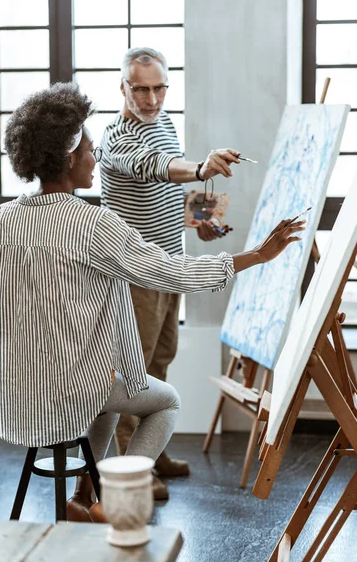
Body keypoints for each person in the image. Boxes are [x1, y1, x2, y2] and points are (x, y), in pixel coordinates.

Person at [0, 82, 304, 523]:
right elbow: (172, 272)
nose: (96, 158)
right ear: (70, 157)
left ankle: (80, 498)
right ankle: (114, 499)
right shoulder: (92, 223)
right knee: (165, 400)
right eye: (90, 151)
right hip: (65, 393)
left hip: (13, 392)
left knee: (109, 381)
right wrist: (258, 255)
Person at [100, 47, 241, 497]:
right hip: (134, 273)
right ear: (121, 86)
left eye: (159, 87)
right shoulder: (115, 138)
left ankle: (152, 448)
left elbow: (165, 191)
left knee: (160, 361)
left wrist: (203, 220)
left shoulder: (164, 121)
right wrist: (201, 167)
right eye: (139, 88)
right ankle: (129, 471)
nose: (151, 98)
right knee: (133, 372)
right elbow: (157, 167)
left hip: (168, 267)